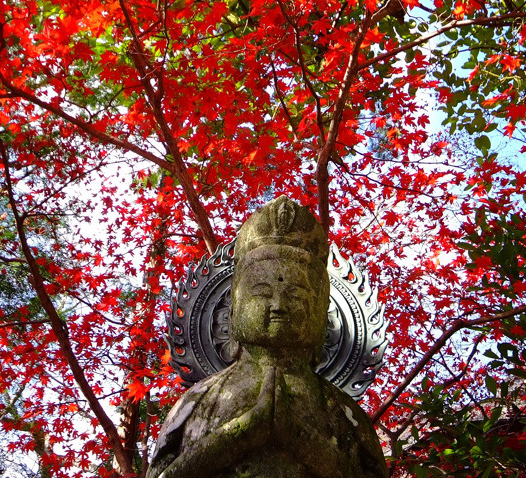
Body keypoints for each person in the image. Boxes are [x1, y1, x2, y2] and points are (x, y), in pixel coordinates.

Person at [149, 196, 387, 478]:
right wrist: (241, 435)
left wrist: (298, 439)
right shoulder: (198, 402)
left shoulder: (344, 413)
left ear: (322, 314)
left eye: (295, 295)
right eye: (261, 292)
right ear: (233, 309)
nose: (278, 305)